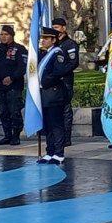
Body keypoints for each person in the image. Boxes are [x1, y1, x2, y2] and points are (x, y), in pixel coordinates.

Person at [38, 26, 77, 164]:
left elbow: (58, 72)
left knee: (56, 124)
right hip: (45, 95)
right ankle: (50, 151)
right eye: (43, 38)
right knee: (48, 125)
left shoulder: (57, 53)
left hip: (54, 93)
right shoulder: (44, 53)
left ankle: (59, 153)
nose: (43, 41)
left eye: (46, 38)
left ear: (53, 40)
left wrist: (45, 82)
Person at [0, 25, 27, 146]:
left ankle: (16, 136)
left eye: (6, 34)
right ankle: (7, 135)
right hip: (0, 86)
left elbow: (23, 67)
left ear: (12, 35)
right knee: (4, 112)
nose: (3, 37)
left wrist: (12, 78)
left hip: (13, 87)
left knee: (14, 111)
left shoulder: (19, 49)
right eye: (2, 34)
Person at [53, 17, 78, 148]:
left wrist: (60, 73)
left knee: (65, 110)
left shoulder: (70, 44)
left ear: (64, 28)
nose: (55, 30)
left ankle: (66, 138)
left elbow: (73, 62)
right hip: (53, 83)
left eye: (57, 27)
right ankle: (57, 137)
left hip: (65, 81)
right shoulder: (52, 44)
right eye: (53, 27)